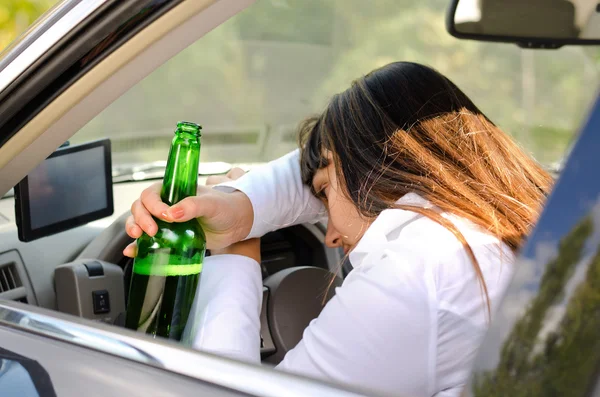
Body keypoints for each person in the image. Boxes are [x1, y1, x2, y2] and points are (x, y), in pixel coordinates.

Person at [124, 62, 552, 397]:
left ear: (376, 164)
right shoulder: (507, 221)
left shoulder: (416, 273)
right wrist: (239, 206)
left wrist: (239, 255)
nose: (329, 235)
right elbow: (325, 169)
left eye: (324, 193)